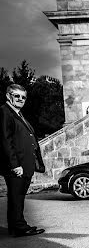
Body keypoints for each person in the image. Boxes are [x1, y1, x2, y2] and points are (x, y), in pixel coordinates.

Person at [0, 84, 45, 236]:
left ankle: (16, 226)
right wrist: (15, 165)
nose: (20, 99)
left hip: (25, 164)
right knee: (16, 197)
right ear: (8, 96)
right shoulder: (4, 112)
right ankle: (19, 227)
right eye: (16, 96)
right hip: (17, 166)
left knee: (18, 197)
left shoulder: (18, 114)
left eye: (23, 97)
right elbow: (5, 141)